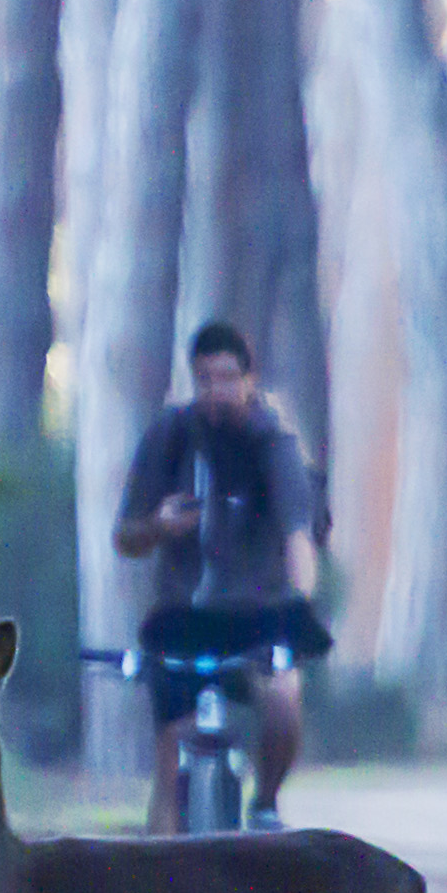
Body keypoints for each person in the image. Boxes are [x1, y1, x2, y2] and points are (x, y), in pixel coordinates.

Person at [110, 318, 330, 831]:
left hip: (259, 610)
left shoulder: (272, 443)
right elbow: (126, 538)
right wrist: (158, 527)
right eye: (205, 379)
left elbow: (298, 534)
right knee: (170, 756)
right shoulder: (171, 436)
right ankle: (161, 873)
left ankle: (266, 802)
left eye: (228, 378)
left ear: (250, 380)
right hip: (183, 612)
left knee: (282, 700)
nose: (218, 392)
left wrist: (299, 607)